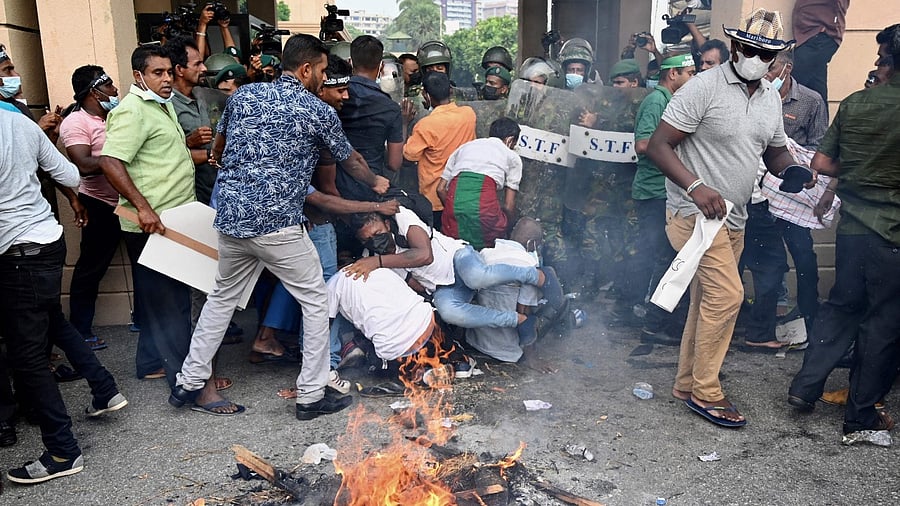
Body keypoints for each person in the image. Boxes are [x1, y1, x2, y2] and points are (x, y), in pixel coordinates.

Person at [170, 34, 388, 420]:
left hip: (232, 220)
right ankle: (310, 395)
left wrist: (226, 163)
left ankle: (188, 381)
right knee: (317, 302)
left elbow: (219, 146)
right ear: (306, 69)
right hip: (277, 226)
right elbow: (350, 159)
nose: (323, 77)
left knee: (221, 300)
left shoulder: (243, 96)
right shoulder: (317, 110)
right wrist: (375, 183)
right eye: (321, 70)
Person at [647, 8, 805, 428]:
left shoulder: (770, 96)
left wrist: (790, 169)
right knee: (728, 296)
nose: (755, 56)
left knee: (707, 301)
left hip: (734, 219)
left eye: (765, 52)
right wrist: (696, 187)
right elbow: (659, 146)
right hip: (692, 215)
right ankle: (706, 392)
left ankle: (685, 382)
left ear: (775, 57)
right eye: (749, 48)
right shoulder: (703, 87)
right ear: (735, 45)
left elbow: (773, 149)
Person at [788, 25, 900, 448]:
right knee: (882, 325)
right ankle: (861, 418)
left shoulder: (855, 103)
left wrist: (859, 172)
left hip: (852, 229)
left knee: (840, 308)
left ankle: (804, 386)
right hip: (893, 236)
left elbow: (821, 162)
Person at [1, 110, 91, 483]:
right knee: (45, 332)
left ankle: (63, 451)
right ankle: (103, 389)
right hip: (46, 243)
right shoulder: (19, 122)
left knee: (28, 357)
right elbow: (71, 176)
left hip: (18, 253)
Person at [99, 44, 197, 386]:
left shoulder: (160, 105)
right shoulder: (133, 110)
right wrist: (142, 207)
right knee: (172, 305)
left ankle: (151, 362)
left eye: (170, 71)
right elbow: (110, 161)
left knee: (162, 300)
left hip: (172, 221)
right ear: (138, 76)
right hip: (152, 225)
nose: (167, 79)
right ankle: (187, 382)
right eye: (158, 73)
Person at [347, 207, 563, 343]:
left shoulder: (402, 219)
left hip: (458, 258)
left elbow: (425, 255)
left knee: (476, 277)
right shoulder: (371, 257)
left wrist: (378, 261)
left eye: (378, 234)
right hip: (444, 288)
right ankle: (520, 321)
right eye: (368, 239)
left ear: (386, 224)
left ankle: (539, 276)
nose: (375, 241)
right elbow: (413, 284)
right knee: (449, 311)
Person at [630, 53, 696, 344]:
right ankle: (654, 324)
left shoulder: (670, 101)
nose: (693, 79)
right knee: (666, 257)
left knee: (670, 257)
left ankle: (660, 323)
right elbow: (643, 144)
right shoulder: (657, 101)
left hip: (666, 191)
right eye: (690, 73)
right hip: (654, 191)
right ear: (673, 75)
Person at [60, 66, 121, 349]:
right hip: (98, 204)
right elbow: (83, 165)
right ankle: (81, 330)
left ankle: (143, 319)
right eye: (108, 84)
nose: (115, 89)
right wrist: (119, 161)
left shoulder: (116, 117)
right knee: (91, 269)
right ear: (94, 91)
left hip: (128, 203)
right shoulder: (75, 123)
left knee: (146, 262)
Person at [465, 218, 564, 372]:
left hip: (477, 341)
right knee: (560, 303)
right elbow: (524, 314)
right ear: (531, 243)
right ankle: (572, 320)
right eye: (537, 245)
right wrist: (532, 359)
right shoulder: (527, 264)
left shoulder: (485, 254)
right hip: (508, 351)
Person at [403, 72, 476, 229]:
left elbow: (406, 160)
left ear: (426, 96)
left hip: (434, 200)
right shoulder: (468, 115)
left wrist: (404, 123)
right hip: (462, 195)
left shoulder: (425, 126)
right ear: (450, 90)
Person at [437, 117, 522, 249]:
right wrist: (506, 229)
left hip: (455, 203)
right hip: (485, 209)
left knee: (453, 247)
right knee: (487, 245)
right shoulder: (512, 157)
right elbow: (509, 206)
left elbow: (440, 189)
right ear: (510, 140)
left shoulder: (464, 147)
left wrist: (455, 209)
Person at [337, 35, 404, 200]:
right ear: (381, 67)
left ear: (350, 62)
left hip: (334, 184)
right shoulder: (391, 108)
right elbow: (394, 164)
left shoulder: (335, 96)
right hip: (371, 186)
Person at [791, 0, 850, 102]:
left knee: (790, 86)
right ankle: (821, 117)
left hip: (820, 35)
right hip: (813, 36)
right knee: (816, 88)